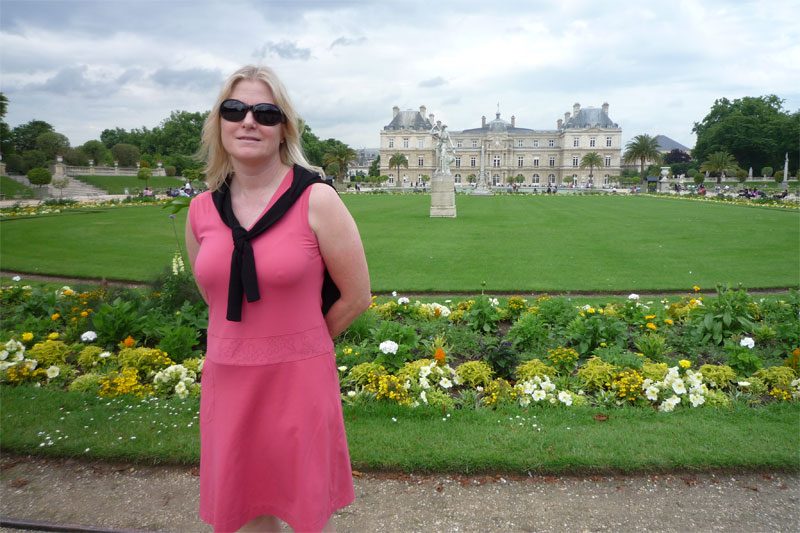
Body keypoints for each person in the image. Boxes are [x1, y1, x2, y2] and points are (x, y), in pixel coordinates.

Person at [185, 65, 371, 533]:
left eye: (265, 113)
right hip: (228, 379)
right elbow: (211, 294)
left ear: (284, 128)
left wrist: (302, 344)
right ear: (219, 123)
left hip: (298, 383)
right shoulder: (201, 209)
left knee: (307, 513)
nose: (248, 121)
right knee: (246, 514)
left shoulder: (317, 200)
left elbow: (356, 296)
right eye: (235, 110)